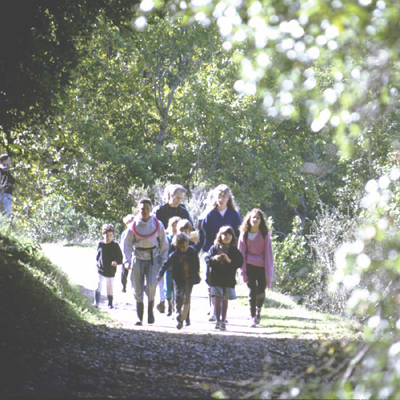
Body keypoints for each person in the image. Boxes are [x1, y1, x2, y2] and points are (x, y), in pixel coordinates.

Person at [122, 198, 169, 325]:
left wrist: (164, 260)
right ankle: (139, 316)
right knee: (137, 287)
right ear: (138, 210)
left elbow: (164, 243)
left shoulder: (158, 224)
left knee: (151, 285)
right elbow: (127, 244)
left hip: (153, 258)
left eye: (147, 209)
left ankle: (150, 312)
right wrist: (126, 261)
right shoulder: (133, 226)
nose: (145, 211)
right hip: (137, 258)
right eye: (142, 209)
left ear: (151, 210)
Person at [202, 184, 242, 322]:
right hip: (213, 251)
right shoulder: (210, 214)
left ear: (229, 197)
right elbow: (205, 234)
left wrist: (234, 252)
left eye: (224, 196)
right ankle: (213, 309)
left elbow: (238, 234)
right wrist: (209, 251)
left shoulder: (234, 214)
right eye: (219, 195)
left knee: (225, 281)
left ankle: (222, 313)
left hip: (228, 253)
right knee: (211, 280)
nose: (222, 198)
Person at [238, 208, 274, 327]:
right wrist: (242, 271)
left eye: (258, 218)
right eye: (253, 217)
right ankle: (252, 316)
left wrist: (268, 273)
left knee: (261, 291)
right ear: (249, 219)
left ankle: (259, 310)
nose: (255, 220)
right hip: (249, 266)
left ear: (261, 220)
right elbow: (241, 254)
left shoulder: (264, 235)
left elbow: (269, 254)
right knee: (252, 291)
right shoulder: (244, 234)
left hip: (262, 267)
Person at [157, 233, 201, 330]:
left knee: (187, 298)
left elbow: (196, 264)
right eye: (182, 246)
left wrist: (197, 275)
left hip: (189, 279)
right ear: (176, 245)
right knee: (179, 298)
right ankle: (178, 316)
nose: (184, 247)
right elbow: (166, 264)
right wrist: (160, 274)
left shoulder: (192, 252)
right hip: (178, 280)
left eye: (186, 245)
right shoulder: (174, 255)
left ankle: (184, 318)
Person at [204, 226, 243, 331]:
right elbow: (207, 259)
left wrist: (229, 260)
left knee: (225, 299)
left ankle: (223, 320)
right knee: (217, 298)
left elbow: (240, 262)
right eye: (225, 234)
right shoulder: (214, 248)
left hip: (228, 278)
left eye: (229, 235)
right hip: (215, 278)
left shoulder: (234, 250)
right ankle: (217, 320)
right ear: (220, 236)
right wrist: (215, 259)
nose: (227, 237)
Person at [176, 218, 204, 326]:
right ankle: (178, 313)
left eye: (186, 231)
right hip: (178, 275)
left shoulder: (192, 246)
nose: (184, 233)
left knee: (187, 296)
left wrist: (201, 231)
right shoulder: (175, 244)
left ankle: (186, 316)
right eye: (182, 230)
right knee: (179, 295)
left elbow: (200, 244)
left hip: (190, 275)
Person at [94, 224, 123, 309]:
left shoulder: (115, 245)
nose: (108, 237)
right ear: (103, 234)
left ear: (113, 235)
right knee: (98, 284)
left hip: (111, 270)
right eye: (106, 235)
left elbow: (120, 258)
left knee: (110, 286)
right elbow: (98, 255)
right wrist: (97, 262)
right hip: (101, 268)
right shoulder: (100, 244)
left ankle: (110, 303)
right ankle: (96, 302)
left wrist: (116, 262)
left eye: (110, 235)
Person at [164, 216, 181, 316]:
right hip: (168, 267)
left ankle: (175, 308)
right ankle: (169, 304)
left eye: (177, 226)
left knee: (177, 288)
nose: (175, 228)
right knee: (168, 288)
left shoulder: (182, 239)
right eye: (173, 226)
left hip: (179, 268)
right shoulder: (166, 239)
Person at [120, 214, 135, 292]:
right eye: (130, 221)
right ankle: (123, 285)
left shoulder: (136, 232)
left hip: (134, 254)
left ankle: (135, 286)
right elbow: (123, 245)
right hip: (126, 254)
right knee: (124, 271)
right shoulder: (125, 233)